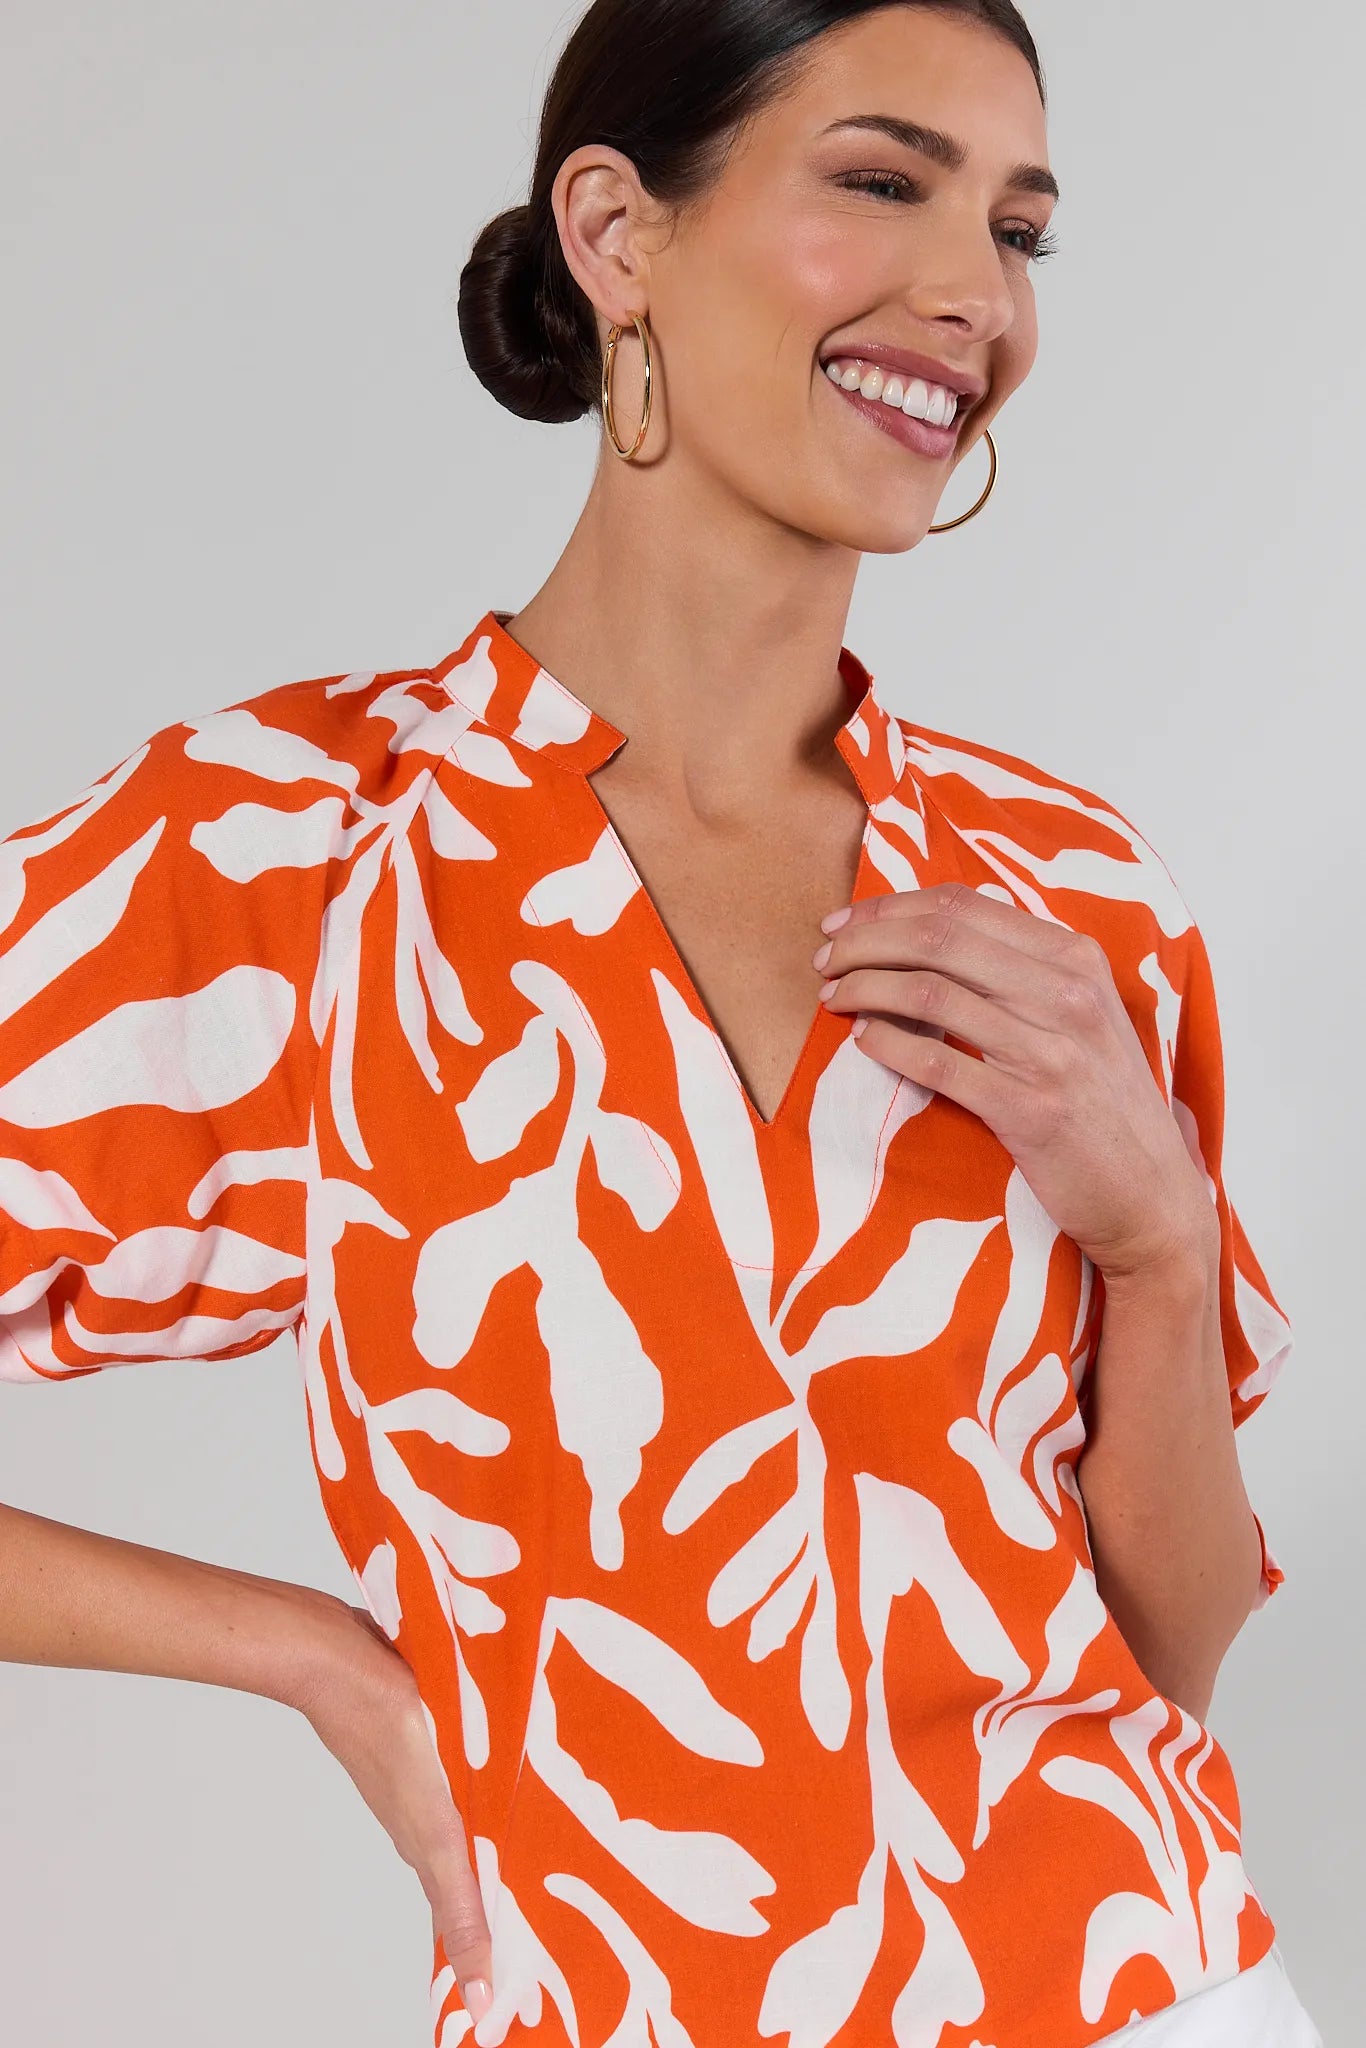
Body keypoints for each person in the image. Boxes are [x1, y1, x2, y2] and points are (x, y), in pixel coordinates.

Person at [0, 3, 1326, 2044]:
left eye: (1019, 229)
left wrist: (1150, 1232)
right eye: (880, 181)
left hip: (1141, 1989)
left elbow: (1165, 1644)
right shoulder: (293, 852)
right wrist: (314, 1656)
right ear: (617, 230)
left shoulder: (1067, 890)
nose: (970, 295)